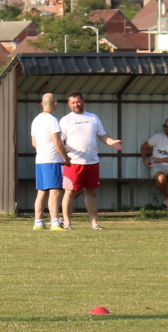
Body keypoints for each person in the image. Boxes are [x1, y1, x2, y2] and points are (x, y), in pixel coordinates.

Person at [58, 93, 122, 231]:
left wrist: (113, 143)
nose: (76, 105)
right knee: (69, 193)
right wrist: (64, 152)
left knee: (91, 193)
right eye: (73, 102)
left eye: (78, 102)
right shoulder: (65, 120)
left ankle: (94, 223)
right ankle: (67, 223)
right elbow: (59, 141)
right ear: (69, 104)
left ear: (83, 101)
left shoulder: (93, 117)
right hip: (73, 163)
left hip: (92, 162)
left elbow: (102, 135)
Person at [29, 91, 65, 229]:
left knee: (41, 192)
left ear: (42, 104)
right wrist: (65, 158)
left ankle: (38, 222)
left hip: (40, 159)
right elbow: (58, 143)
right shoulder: (53, 120)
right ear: (55, 104)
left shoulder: (36, 120)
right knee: (55, 191)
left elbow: (34, 143)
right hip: (52, 159)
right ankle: (55, 222)